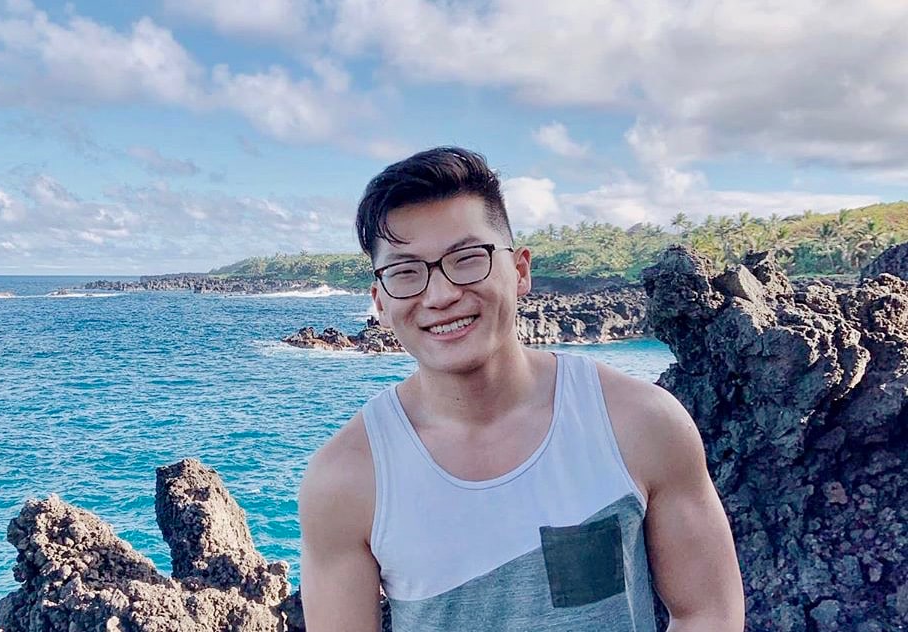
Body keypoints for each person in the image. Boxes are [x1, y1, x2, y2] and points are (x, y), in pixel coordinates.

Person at [298, 147, 745, 631]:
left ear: (520, 270)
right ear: (381, 302)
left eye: (467, 259)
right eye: (406, 272)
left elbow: (707, 611)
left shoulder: (638, 421)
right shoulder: (345, 478)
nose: (441, 295)